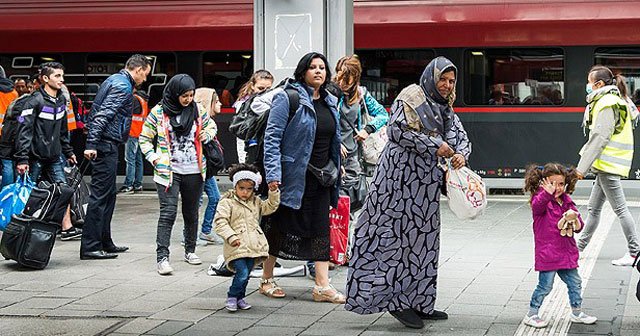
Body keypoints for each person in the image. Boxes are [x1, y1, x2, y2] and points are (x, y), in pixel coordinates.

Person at [345, 56, 468, 329]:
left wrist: (460, 153)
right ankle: (398, 303)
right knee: (397, 239)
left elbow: (458, 133)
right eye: (442, 80)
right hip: (397, 181)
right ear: (430, 77)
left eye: (451, 81)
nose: (447, 85)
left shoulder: (443, 104)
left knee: (424, 240)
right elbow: (397, 131)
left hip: (424, 184)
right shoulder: (411, 96)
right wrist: (435, 145)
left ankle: (421, 301)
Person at [262, 52, 344, 303]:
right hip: (293, 177)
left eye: (322, 67)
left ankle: (322, 286)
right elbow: (272, 138)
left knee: (321, 229)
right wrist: (273, 175)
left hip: (321, 178)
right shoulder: (288, 98)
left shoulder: (330, 100)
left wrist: (337, 157)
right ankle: (266, 278)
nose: (318, 71)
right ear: (302, 71)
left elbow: (330, 134)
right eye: (312, 67)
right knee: (278, 228)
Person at [139, 74, 217, 275]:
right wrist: (154, 158)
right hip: (168, 172)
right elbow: (144, 138)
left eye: (191, 95)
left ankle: (190, 250)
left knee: (191, 213)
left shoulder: (198, 110)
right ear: (174, 93)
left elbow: (211, 126)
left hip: (194, 170)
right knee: (168, 213)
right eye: (184, 95)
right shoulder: (158, 112)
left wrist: (206, 135)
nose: (188, 99)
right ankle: (162, 258)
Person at [80, 54, 151, 260]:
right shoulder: (122, 86)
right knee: (101, 197)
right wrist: (91, 144)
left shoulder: (114, 80)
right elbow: (102, 116)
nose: (145, 80)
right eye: (144, 75)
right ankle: (91, 246)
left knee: (108, 195)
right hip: (105, 145)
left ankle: (104, 241)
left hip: (107, 143)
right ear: (138, 70)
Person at [576, 65, 640, 266]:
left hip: (607, 163)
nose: (587, 85)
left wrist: (581, 168)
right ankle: (577, 249)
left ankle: (634, 252)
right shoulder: (615, 100)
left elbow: (600, 137)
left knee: (620, 209)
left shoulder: (606, 102)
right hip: (606, 164)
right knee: (593, 209)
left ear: (599, 84)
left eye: (589, 81)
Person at [522, 163, 597, 328]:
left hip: (566, 253)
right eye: (552, 183)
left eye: (561, 183)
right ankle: (532, 314)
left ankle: (576, 312)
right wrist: (546, 194)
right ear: (543, 182)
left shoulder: (567, 202)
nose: (557, 187)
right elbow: (537, 206)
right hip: (548, 254)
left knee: (575, 282)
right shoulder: (540, 200)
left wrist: (575, 221)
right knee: (545, 286)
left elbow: (579, 226)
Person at [214, 164, 280, 312]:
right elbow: (220, 222)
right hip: (236, 246)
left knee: (246, 274)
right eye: (241, 188)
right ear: (235, 186)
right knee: (242, 273)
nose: (245, 192)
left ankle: (240, 297)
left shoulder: (255, 202)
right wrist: (231, 237)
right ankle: (232, 296)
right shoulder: (227, 202)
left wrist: (273, 192)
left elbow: (269, 207)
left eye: (249, 189)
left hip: (253, 246)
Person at [15, 62, 77, 187]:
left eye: (62, 76)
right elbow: (24, 131)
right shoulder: (34, 101)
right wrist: (22, 159)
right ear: (45, 78)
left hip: (54, 157)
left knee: (64, 193)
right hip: (35, 158)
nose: (62, 80)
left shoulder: (61, 100)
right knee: (28, 195)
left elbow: (63, 130)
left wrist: (68, 152)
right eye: (57, 76)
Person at [194, 87, 224, 245]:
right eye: (216, 101)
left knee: (215, 197)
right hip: (198, 167)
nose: (219, 104)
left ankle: (205, 231)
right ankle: (190, 235)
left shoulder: (208, 122)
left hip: (207, 169)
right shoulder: (197, 121)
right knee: (197, 201)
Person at [233, 70, 274, 164]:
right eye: (261, 88)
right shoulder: (243, 105)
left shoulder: (270, 101)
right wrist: (243, 161)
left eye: (269, 89)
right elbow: (241, 135)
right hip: (250, 148)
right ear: (252, 85)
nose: (265, 92)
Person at [118, 89, 150, 194]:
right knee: (138, 160)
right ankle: (138, 184)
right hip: (140, 133)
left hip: (133, 132)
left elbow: (126, 113)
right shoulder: (143, 100)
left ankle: (128, 184)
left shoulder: (134, 99)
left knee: (130, 159)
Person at [0, 65, 19, 188]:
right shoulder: (14, 92)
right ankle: (9, 190)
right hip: (10, 131)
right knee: (9, 161)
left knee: (6, 162)